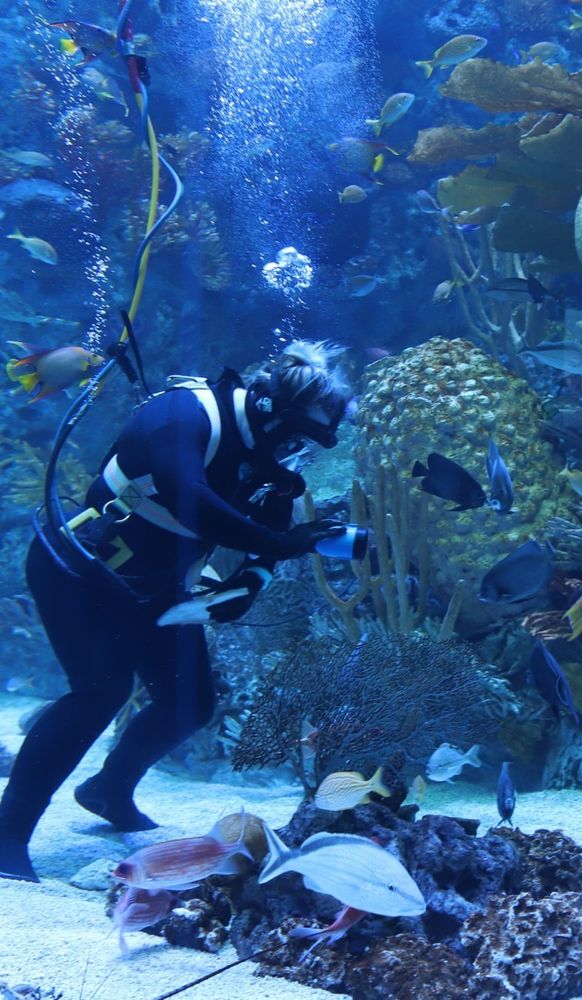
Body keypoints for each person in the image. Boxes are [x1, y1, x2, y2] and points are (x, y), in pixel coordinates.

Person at [0, 340, 350, 881]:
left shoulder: (268, 463)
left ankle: (107, 790)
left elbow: (268, 540)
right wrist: (283, 546)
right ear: (268, 410)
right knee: (102, 691)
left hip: (155, 588)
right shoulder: (181, 416)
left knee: (190, 702)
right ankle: (8, 834)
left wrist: (247, 585)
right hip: (79, 569)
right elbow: (191, 497)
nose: (295, 452)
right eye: (297, 436)